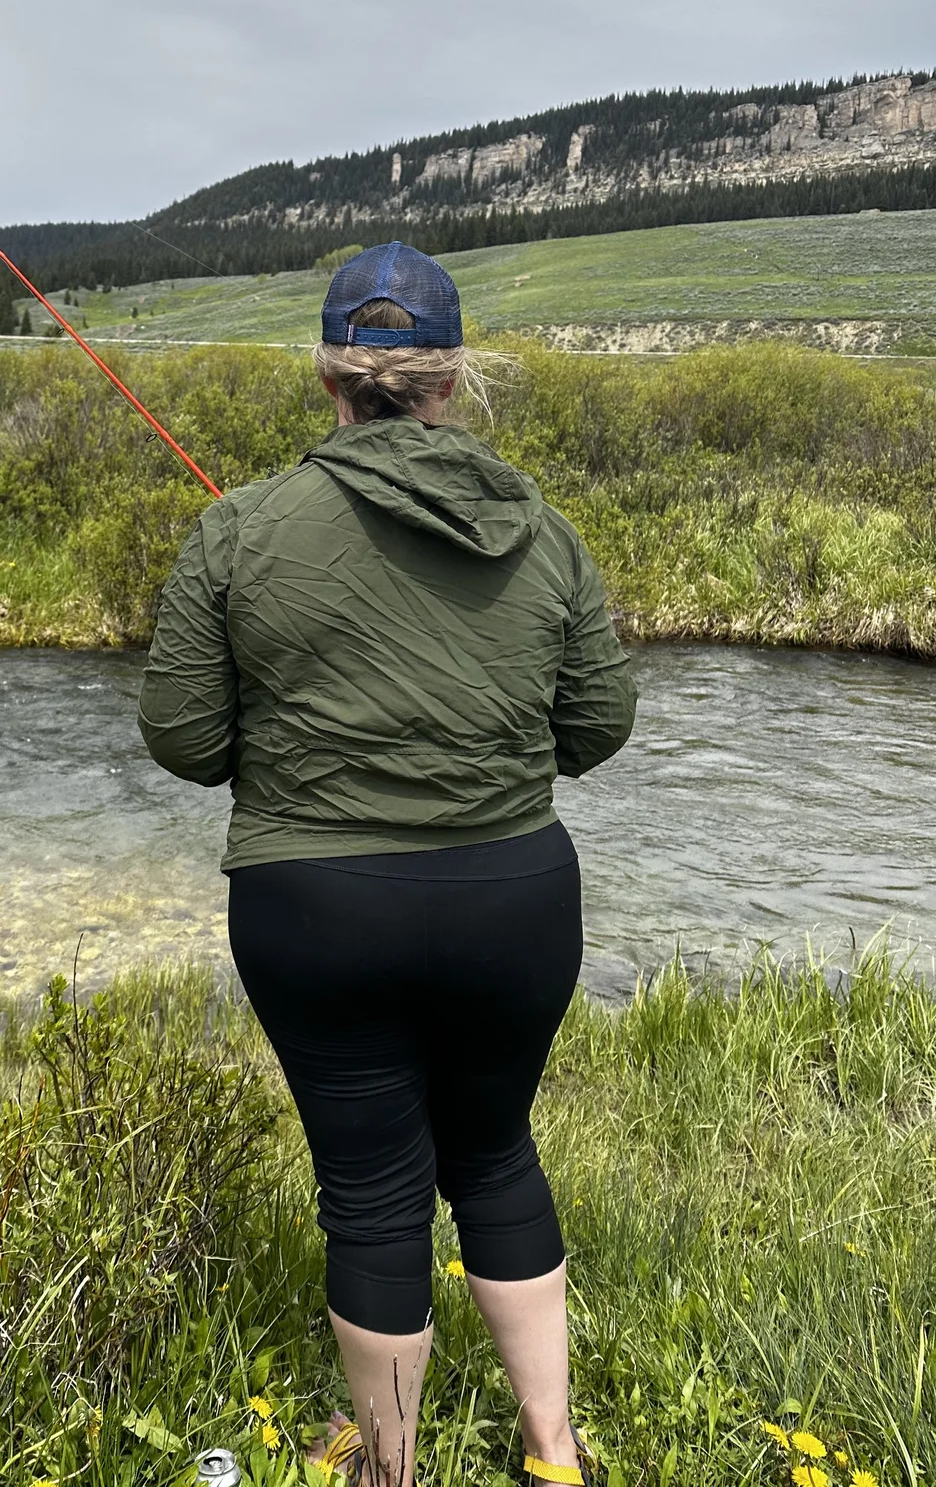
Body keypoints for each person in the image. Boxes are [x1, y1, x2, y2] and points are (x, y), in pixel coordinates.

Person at [138, 243, 636, 1487]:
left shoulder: (237, 527)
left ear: (331, 381)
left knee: (371, 1184)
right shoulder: (549, 531)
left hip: (317, 906)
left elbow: (186, 743)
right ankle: (554, 1452)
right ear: (449, 381)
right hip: (514, 898)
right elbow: (598, 729)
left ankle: (389, 1468)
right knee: (496, 1150)